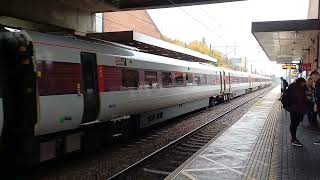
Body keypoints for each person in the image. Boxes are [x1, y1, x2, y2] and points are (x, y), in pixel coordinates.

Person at [285, 77, 307, 147]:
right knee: (294, 124)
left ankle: (294, 139)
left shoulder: (294, 86)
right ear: (301, 82)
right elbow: (300, 99)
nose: (304, 84)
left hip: (294, 108)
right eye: (304, 83)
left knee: (294, 124)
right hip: (296, 109)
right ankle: (294, 140)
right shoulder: (297, 88)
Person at [310, 70, 320, 145]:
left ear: (316, 75)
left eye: (313, 78)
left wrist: (316, 105)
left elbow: (318, 95)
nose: (313, 80)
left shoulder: (318, 83)